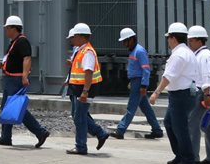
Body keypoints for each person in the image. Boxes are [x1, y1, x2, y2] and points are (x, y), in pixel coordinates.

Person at [0, 15, 49, 148]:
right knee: (8, 108)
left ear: (14, 28)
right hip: (11, 78)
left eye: (7, 28)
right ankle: (6, 136)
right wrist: (3, 65)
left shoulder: (22, 42)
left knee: (16, 108)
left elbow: (27, 58)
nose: (5, 30)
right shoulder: (14, 42)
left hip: (16, 79)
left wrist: (24, 76)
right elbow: (15, 60)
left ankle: (40, 132)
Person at [149, 22, 198, 164]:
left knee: (179, 128)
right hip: (184, 94)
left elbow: (168, 77)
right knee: (170, 123)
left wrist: (156, 92)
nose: (168, 41)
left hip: (180, 95)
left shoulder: (178, 55)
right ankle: (180, 155)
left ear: (173, 38)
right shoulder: (187, 52)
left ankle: (188, 160)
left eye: (168, 38)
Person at [111, 27, 164, 140]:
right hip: (136, 81)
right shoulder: (134, 51)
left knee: (131, 107)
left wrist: (144, 85)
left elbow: (146, 69)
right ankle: (157, 130)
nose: (124, 44)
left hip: (139, 82)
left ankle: (120, 130)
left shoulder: (139, 51)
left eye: (125, 41)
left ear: (131, 39)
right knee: (145, 107)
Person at [64, 22, 108, 155]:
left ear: (82, 37)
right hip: (78, 88)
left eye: (75, 36)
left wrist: (85, 91)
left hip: (84, 90)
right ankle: (100, 134)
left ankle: (81, 146)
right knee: (79, 116)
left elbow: (88, 72)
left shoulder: (87, 52)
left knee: (80, 118)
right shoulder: (81, 50)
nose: (73, 39)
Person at [187, 25, 210, 164]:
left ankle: (193, 157)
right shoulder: (202, 54)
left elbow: (207, 76)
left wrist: (207, 95)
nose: (189, 43)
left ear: (198, 40)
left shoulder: (204, 56)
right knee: (209, 126)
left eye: (191, 40)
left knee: (193, 125)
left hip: (202, 93)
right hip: (205, 93)